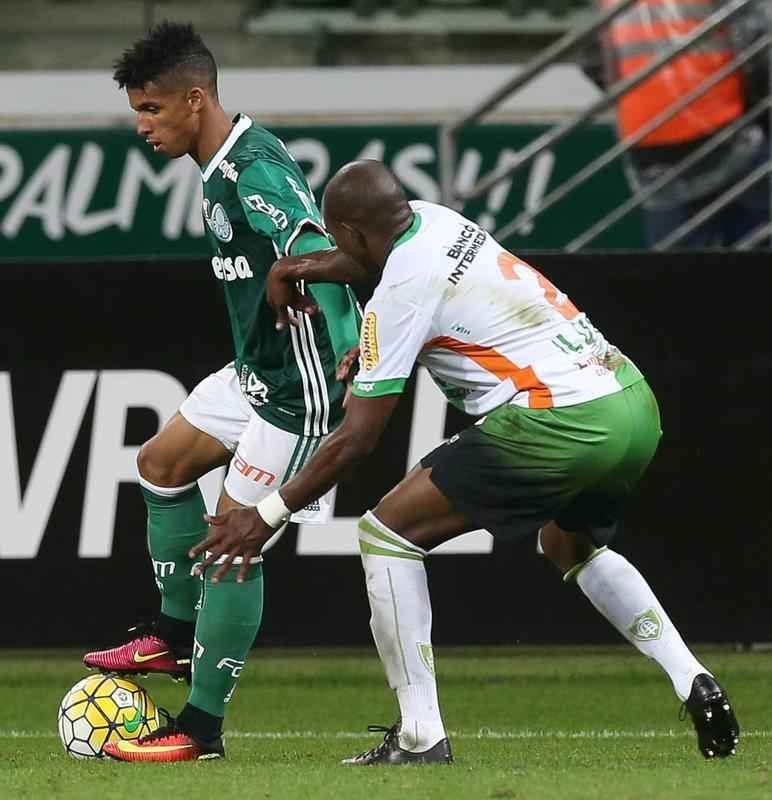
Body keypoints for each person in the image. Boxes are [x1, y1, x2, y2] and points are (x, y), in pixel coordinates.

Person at [192, 160, 740, 764]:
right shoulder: (434, 220)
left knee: (386, 535)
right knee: (569, 545)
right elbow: (371, 265)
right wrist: (294, 266)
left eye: (330, 235)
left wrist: (263, 514)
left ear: (348, 230)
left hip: (559, 418)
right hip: (628, 400)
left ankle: (421, 735)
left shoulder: (400, 291)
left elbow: (357, 439)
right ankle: (693, 679)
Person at [83, 22, 361, 762]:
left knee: (232, 544)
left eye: (151, 109)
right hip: (253, 369)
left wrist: (350, 344)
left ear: (195, 98)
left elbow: (315, 251)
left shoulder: (252, 171)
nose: (141, 126)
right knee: (160, 464)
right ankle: (171, 638)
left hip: (296, 387)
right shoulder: (217, 166)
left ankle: (200, 730)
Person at [594, 0, 770, 248]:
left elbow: (607, 69)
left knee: (677, 264)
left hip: (649, 138)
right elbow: (757, 49)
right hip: (718, 127)